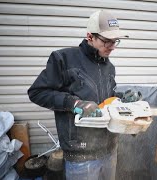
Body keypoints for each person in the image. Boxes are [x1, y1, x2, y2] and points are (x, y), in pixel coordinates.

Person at [28, 10, 141, 180]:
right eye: (106, 41)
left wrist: (122, 99)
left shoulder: (109, 67)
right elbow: (37, 92)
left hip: (109, 148)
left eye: (115, 41)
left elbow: (105, 100)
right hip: (81, 154)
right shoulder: (63, 59)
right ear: (90, 36)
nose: (112, 46)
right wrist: (74, 104)